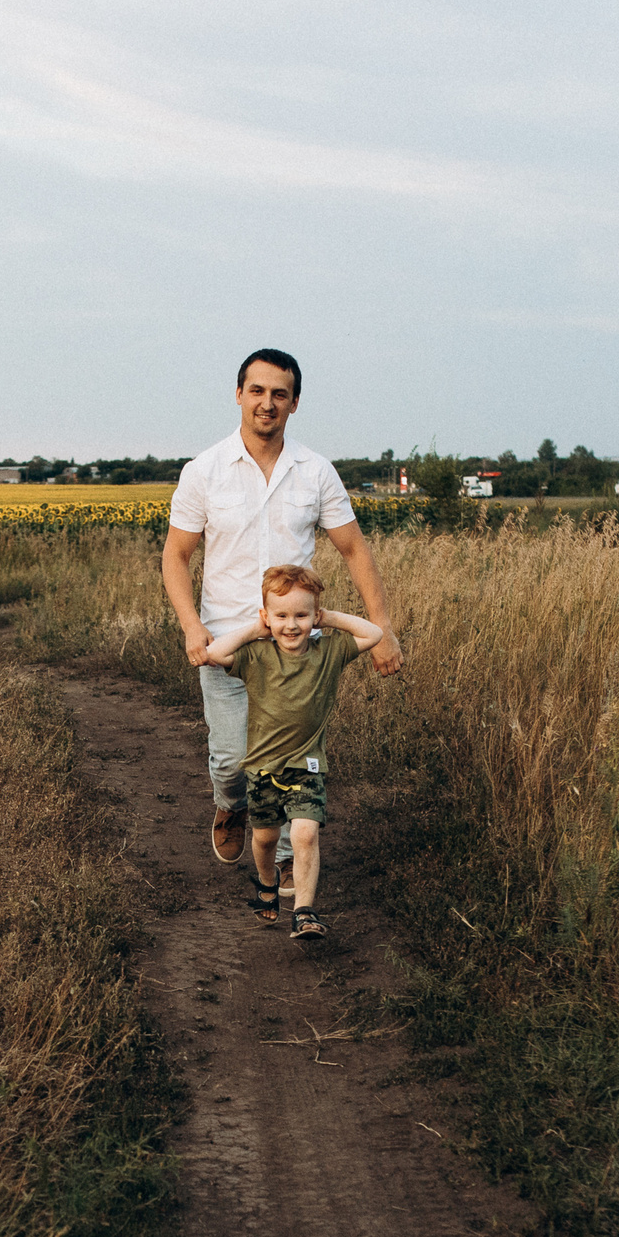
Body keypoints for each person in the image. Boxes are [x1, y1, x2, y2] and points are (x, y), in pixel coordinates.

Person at [162, 349, 403, 894]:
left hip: (298, 645)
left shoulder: (315, 472)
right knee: (230, 759)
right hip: (229, 642)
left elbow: (354, 550)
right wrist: (190, 627)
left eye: (279, 394)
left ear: (294, 403)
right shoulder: (204, 471)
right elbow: (176, 556)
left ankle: (295, 855)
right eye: (257, 391)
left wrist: (382, 629)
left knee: (297, 756)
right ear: (239, 394)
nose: (267, 403)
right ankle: (230, 806)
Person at [200, 565, 386, 939]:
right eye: (281, 616)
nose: (292, 625)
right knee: (266, 838)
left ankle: (303, 910)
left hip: (307, 765)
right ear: (268, 617)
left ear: (314, 616)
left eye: (302, 615)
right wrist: (257, 628)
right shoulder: (257, 656)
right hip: (263, 770)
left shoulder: (328, 651)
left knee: (304, 834)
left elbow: (374, 633)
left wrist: (327, 618)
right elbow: (213, 654)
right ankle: (267, 885)